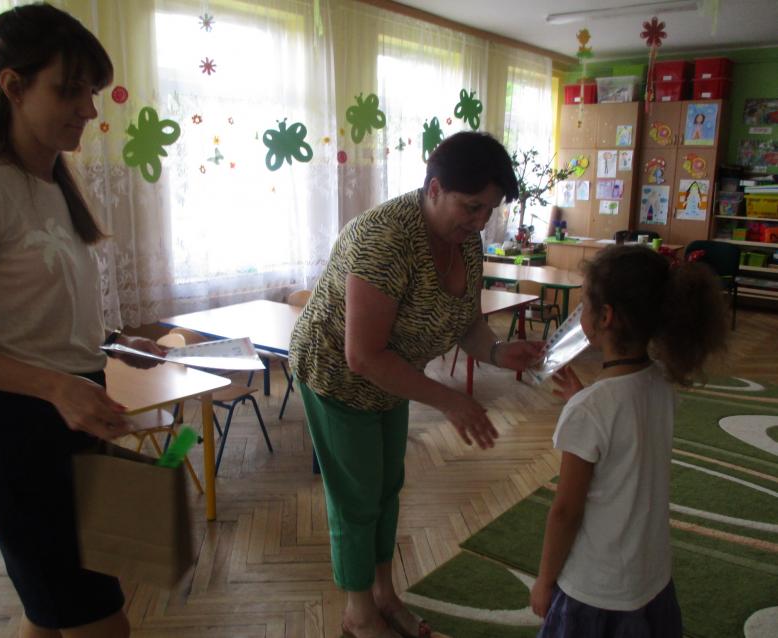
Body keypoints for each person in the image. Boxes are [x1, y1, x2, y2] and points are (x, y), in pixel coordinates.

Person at [0, 4, 166, 637]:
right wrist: (57, 386)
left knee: (51, 613)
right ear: (13, 86)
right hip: (14, 437)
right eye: (70, 90)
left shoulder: (55, 186)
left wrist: (113, 343)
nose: (88, 108)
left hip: (69, 421)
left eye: (91, 93)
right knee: (96, 617)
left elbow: (34, 319)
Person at [289, 131, 544, 638]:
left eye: (488, 210)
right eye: (471, 207)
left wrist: (497, 352)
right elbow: (362, 355)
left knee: (387, 488)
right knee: (357, 497)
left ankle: (385, 594)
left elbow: (466, 323)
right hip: (336, 374)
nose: (480, 221)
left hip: (393, 376)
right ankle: (358, 613)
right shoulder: (386, 238)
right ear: (433, 189)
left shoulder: (465, 241)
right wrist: (451, 401)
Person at [530, 245, 729, 637]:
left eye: (584, 303)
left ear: (605, 317)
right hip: (651, 576)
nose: (580, 312)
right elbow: (627, 432)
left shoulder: (591, 410)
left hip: (596, 588)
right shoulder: (662, 383)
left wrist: (544, 580)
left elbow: (565, 512)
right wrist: (584, 399)